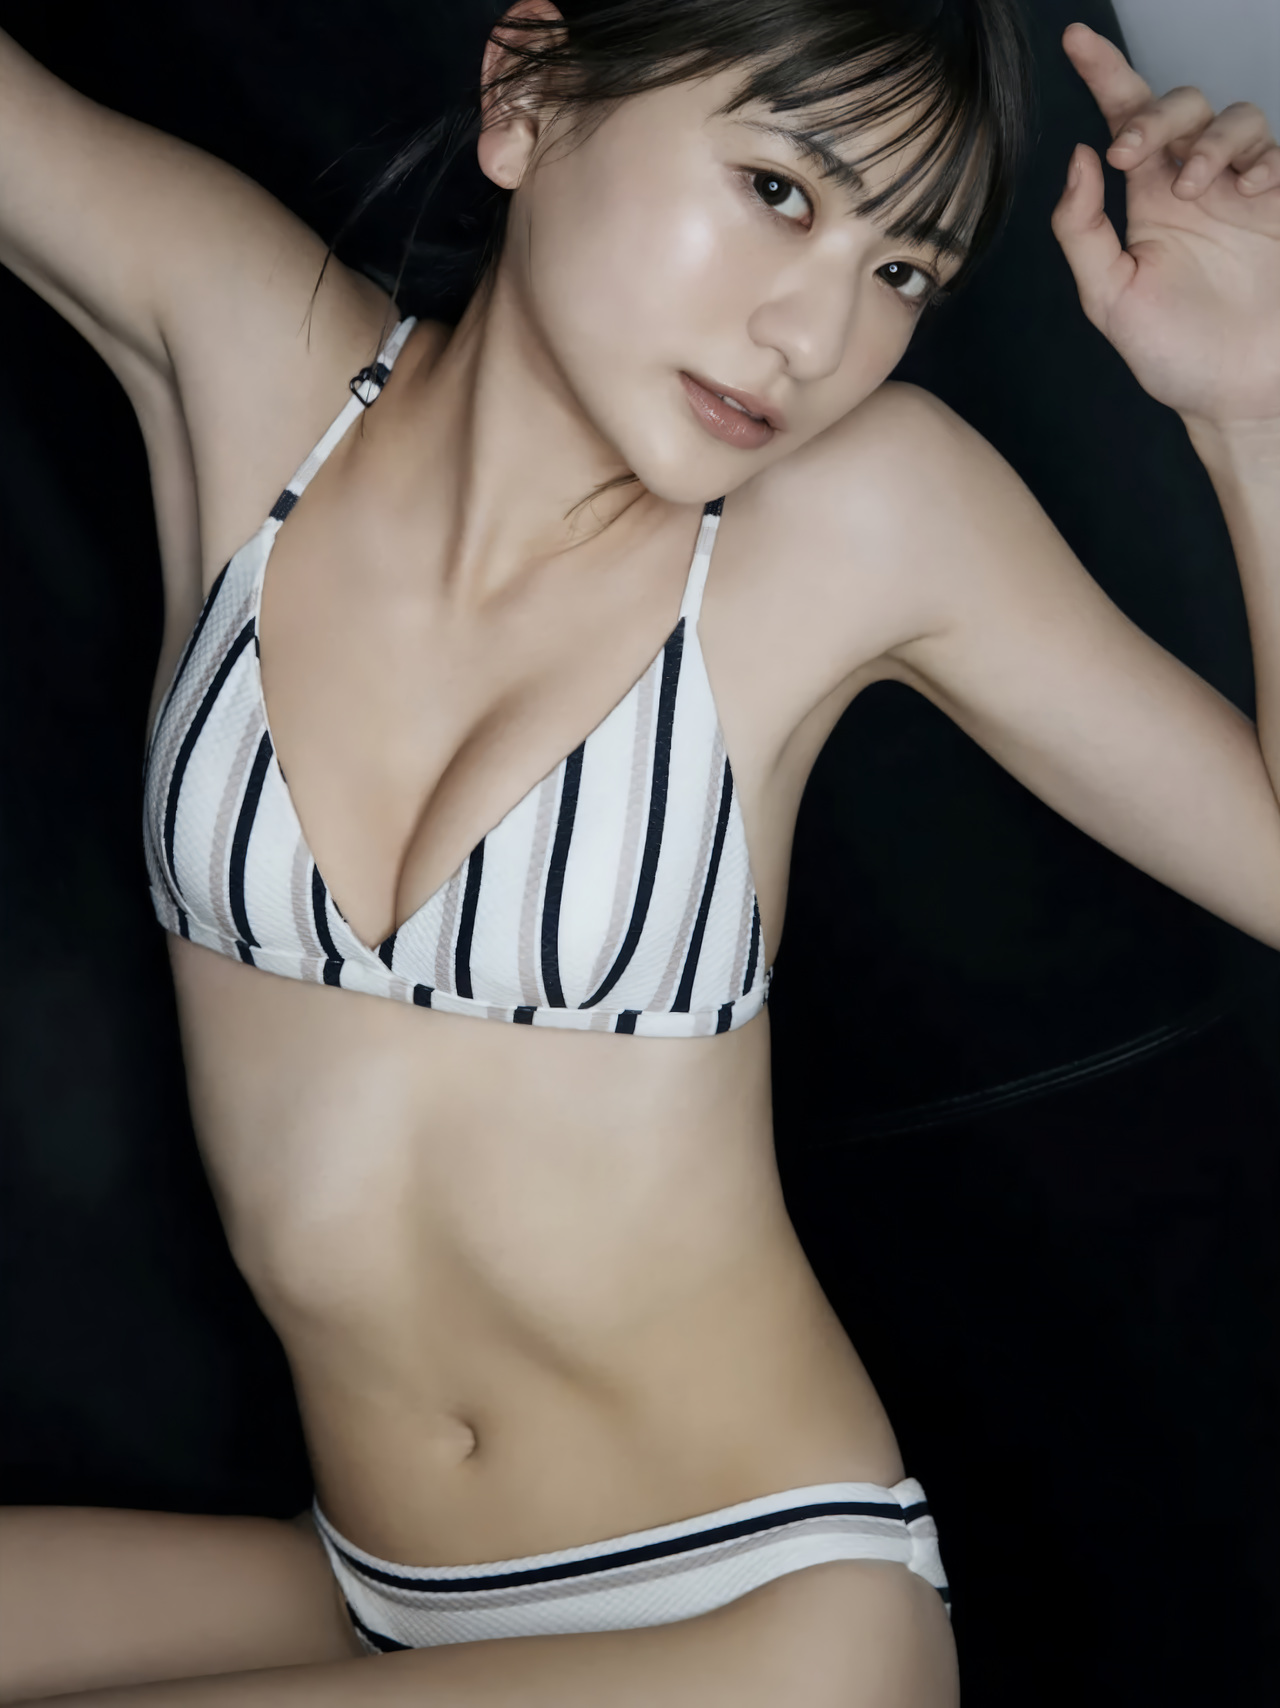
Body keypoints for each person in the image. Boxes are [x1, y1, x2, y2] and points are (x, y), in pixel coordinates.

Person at [0, 0, 1276, 1701]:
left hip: (755, 1629)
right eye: (779, 191)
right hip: (373, 1589)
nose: (814, 332)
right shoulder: (255, 363)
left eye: (903, 271)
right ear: (526, 96)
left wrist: (1250, 410)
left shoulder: (857, 521)